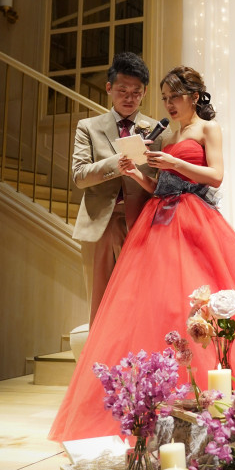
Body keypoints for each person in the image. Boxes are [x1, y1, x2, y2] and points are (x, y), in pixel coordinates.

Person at [49, 66, 235, 443]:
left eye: (173, 97)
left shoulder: (209, 128)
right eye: (164, 98)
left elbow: (216, 175)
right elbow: (159, 186)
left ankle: (210, 398)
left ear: (193, 96)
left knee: (200, 301)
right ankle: (150, 403)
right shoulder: (171, 134)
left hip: (193, 219)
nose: (168, 104)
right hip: (159, 217)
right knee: (157, 307)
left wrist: (174, 163)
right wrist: (135, 174)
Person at [72, 52, 160, 326]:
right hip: (101, 224)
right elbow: (79, 176)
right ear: (109, 88)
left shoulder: (158, 130)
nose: (129, 97)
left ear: (144, 93)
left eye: (136, 91)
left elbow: (162, 184)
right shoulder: (88, 127)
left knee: (141, 303)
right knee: (100, 306)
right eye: (123, 90)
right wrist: (115, 163)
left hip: (144, 225)